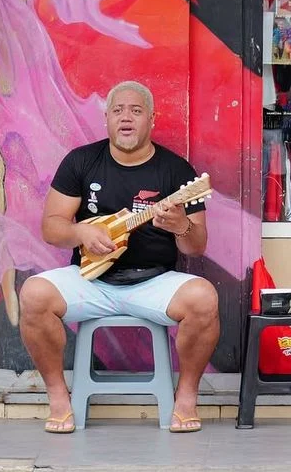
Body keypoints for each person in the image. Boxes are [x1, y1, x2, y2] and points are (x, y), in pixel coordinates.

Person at [18, 81, 219, 434]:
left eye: (136, 111)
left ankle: (186, 397)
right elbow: (51, 227)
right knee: (33, 295)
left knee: (204, 299)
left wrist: (181, 226)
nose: (126, 118)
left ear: (152, 119)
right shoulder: (81, 161)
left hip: (153, 281)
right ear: (107, 118)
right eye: (118, 111)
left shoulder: (176, 172)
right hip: (89, 280)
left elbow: (196, 247)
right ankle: (58, 397)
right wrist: (80, 232)